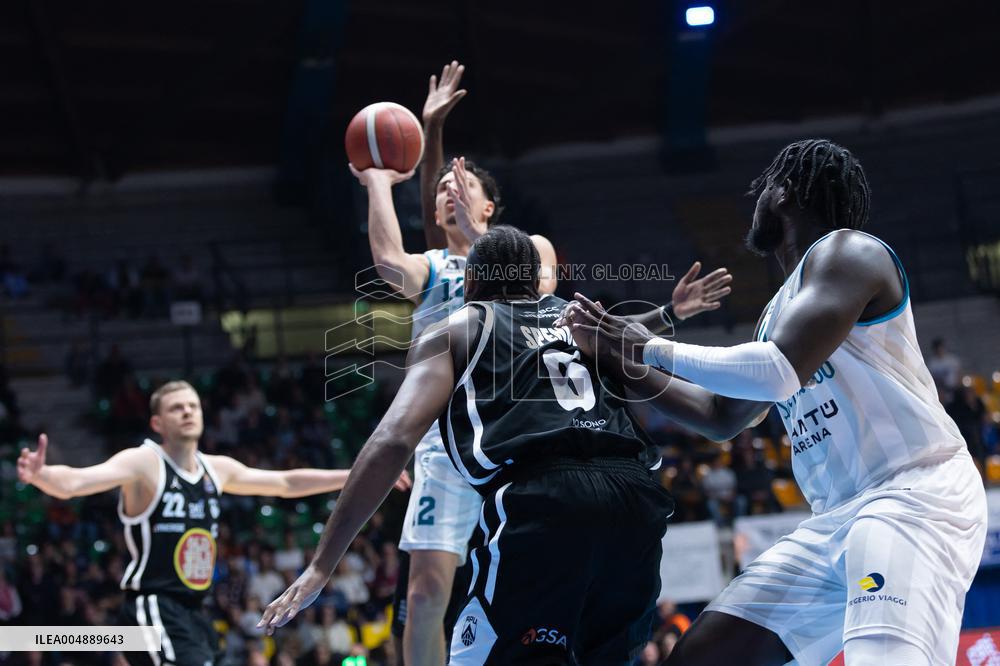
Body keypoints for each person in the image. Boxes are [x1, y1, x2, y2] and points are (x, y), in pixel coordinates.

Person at [354, 60, 733, 666]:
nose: (449, 191)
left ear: (490, 206)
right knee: (426, 593)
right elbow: (391, 261)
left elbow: (557, 311)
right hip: (448, 439)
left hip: (526, 433)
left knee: (541, 599)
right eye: (442, 188)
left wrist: (668, 314)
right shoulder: (433, 265)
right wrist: (405, 156)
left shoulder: (531, 252)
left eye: (461, 185)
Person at [562, 139, 988, 665]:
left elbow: (777, 370)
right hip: (834, 519)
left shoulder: (849, 252)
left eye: (762, 188)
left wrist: (645, 346)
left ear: (783, 192)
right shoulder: (776, 312)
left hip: (912, 494)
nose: (755, 200)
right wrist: (616, 357)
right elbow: (719, 416)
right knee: (700, 657)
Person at [259, 225, 676, 665]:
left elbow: (393, 439)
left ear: (470, 281)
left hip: (542, 494)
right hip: (636, 497)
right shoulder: (585, 323)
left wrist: (321, 565)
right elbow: (686, 396)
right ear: (535, 279)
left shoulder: (459, 326)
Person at [16, 380, 410, 666]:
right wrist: (41, 475)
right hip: (154, 605)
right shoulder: (144, 463)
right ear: (157, 422)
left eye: (193, 405)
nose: (188, 412)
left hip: (195, 611)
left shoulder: (215, 469)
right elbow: (76, 482)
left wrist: (361, 475)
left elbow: (285, 483)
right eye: (177, 408)